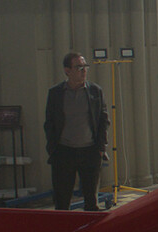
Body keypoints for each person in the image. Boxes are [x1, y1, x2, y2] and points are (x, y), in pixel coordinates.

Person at [44, 51, 109, 211]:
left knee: (91, 200)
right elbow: (49, 123)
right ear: (67, 70)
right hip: (64, 152)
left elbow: (103, 120)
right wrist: (53, 148)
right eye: (79, 67)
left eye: (85, 66)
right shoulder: (56, 93)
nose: (84, 70)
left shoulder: (95, 91)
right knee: (62, 200)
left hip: (90, 151)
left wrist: (101, 148)